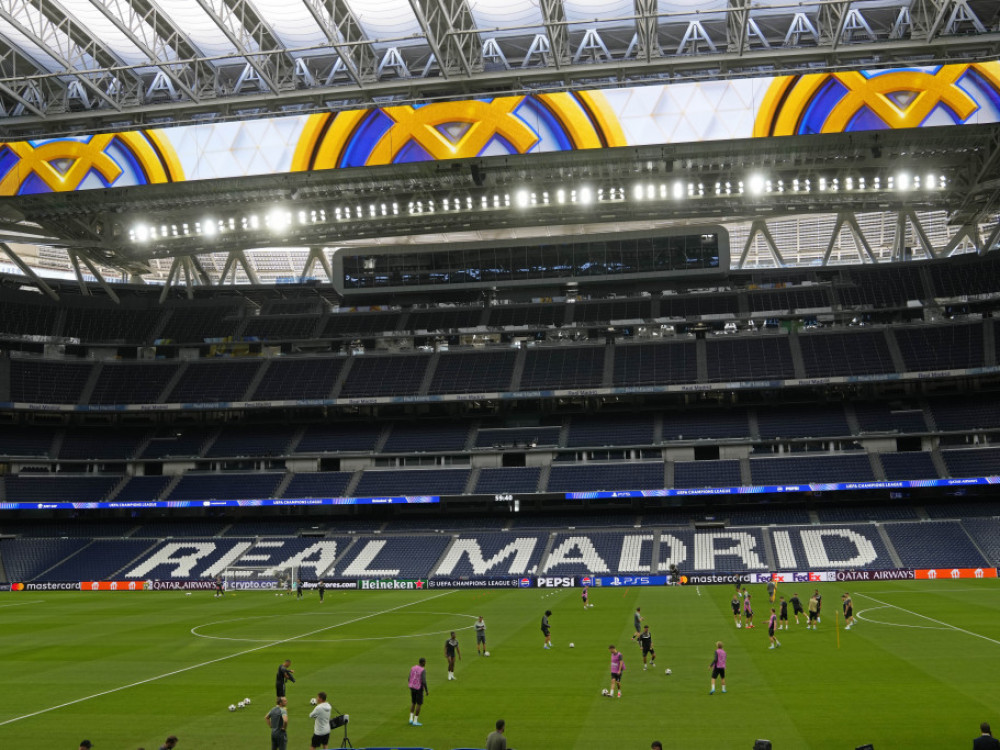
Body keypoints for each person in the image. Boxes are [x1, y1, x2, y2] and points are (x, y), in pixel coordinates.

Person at [408, 657, 428, 726]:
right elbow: (424, 681)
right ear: (422, 662)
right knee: (419, 704)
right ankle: (415, 721)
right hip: (418, 688)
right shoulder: (423, 670)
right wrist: (426, 690)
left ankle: (410, 719)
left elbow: (409, 677)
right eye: (425, 662)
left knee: (413, 702)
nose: (425, 663)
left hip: (412, 687)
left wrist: (411, 684)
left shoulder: (413, 668)